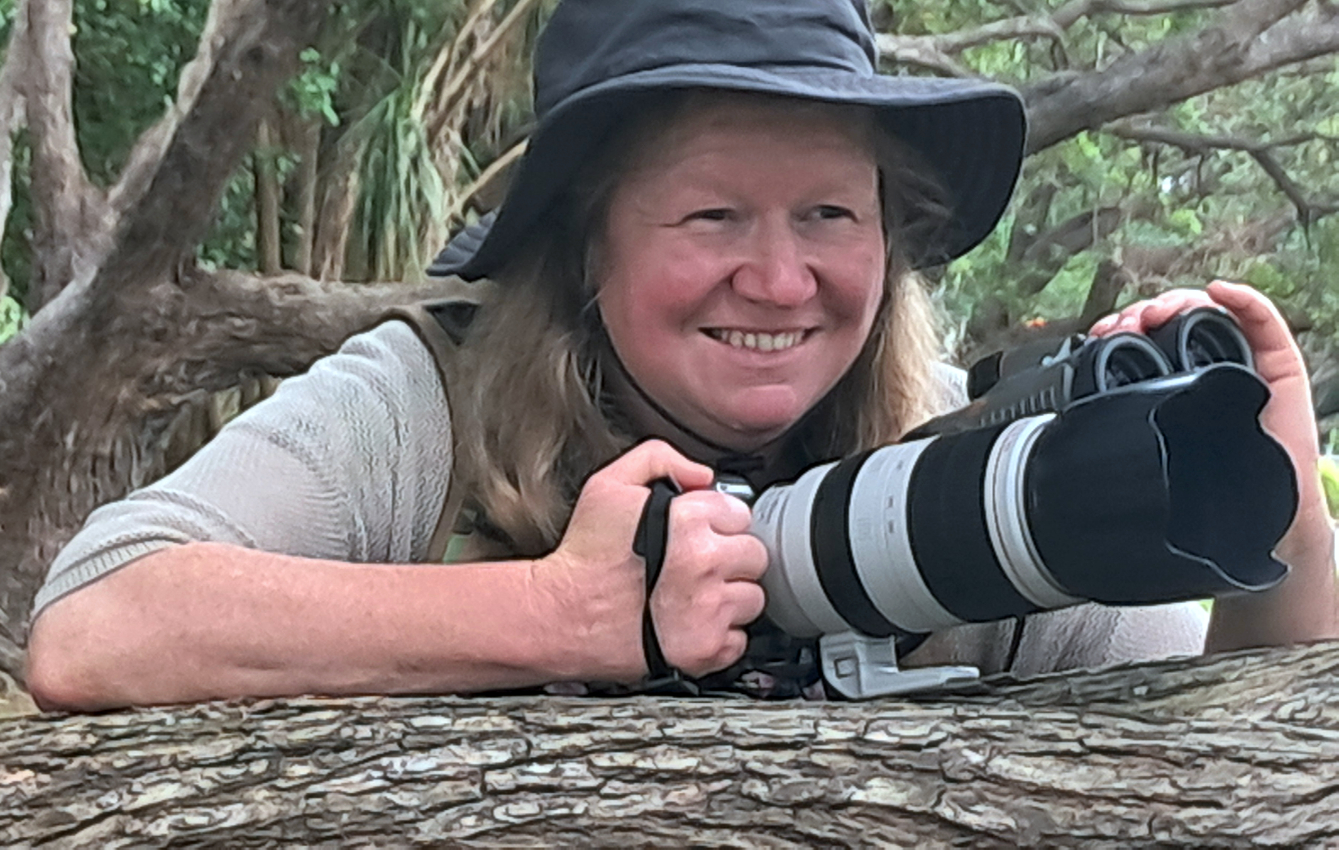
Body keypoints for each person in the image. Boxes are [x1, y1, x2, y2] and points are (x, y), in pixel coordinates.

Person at [25, 0, 1337, 710]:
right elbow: (98, 625)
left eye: (830, 215)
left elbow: (1232, 730)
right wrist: (555, 617)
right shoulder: (426, 405)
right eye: (713, 215)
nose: (781, 279)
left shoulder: (965, 460)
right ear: (583, 247)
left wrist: (1283, 521)